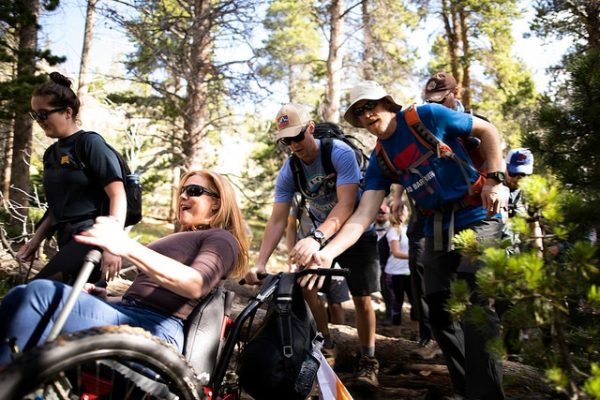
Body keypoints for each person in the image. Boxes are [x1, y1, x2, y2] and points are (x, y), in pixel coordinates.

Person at [298, 81, 509, 400]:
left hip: (477, 215)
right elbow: (361, 216)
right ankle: (467, 389)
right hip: (436, 227)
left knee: (475, 308)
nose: (367, 115)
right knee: (438, 313)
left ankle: (487, 395)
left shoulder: (427, 116)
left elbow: (488, 130)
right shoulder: (380, 160)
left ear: (387, 103)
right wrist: (328, 253)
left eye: (370, 106)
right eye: (359, 112)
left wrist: (495, 179)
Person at [0, 170, 249, 364]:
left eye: (194, 191)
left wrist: (124, 245)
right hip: (131, 314)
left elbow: (195, 285)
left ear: (216, 203)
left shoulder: (222, 239)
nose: (183, 196)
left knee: (38, 296)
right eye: (182, 190)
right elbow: (153, 293)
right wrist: (110, 297)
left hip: (157, 330)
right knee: (20, 295)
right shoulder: (185, 237)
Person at [244, 103, 381, 391]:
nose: (293, 145)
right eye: (286, 141)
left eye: (297, 137)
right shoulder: (289, 169)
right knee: (307, 285)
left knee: (361, 297)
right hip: (322, 233)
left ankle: (369, 360)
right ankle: (325, 342)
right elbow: (278, 219)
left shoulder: (339, 154)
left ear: (310, 128)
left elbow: (346, 206)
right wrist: (260, 262)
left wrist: (317, 238)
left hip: (356, 230)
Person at [16, 72, 127, 285]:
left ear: (67, 112)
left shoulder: (90, 144)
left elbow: (118, 195)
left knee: (35, 291)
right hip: (67, 238)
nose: (39, 121)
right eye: (34, 115)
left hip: (92, 237)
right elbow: (57, 207)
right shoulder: (51, 154)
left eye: (43, 114)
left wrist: (112, 246)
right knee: (62, 307)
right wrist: (34, 242)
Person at [285, 193, 350, 327]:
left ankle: (338, 336)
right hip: (306, 255)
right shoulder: (298, 195)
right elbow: (291, 226)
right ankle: (322, 337)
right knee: (310, 296)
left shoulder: (339, 189)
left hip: (334, 251)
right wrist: (292, 258)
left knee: (336, 303)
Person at [384, 200, 416, 328]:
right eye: (399, 209)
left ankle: (416, 333)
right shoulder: (393, 231)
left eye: (404, 209)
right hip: (395, 272)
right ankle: (395, 333)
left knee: (415, 302)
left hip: (409, 271)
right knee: (398, 302)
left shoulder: (409, 229)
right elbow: (396, 252)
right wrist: (415, 257)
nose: (402, 212)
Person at [374, 203, 394, 324]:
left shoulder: (393, 228)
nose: (381, 215)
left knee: (389, 291)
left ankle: (391, 315)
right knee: (382, 290)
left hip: (390, 265)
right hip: (375, 264)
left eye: (383, 213)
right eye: (379, 212)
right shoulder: (370, 228)